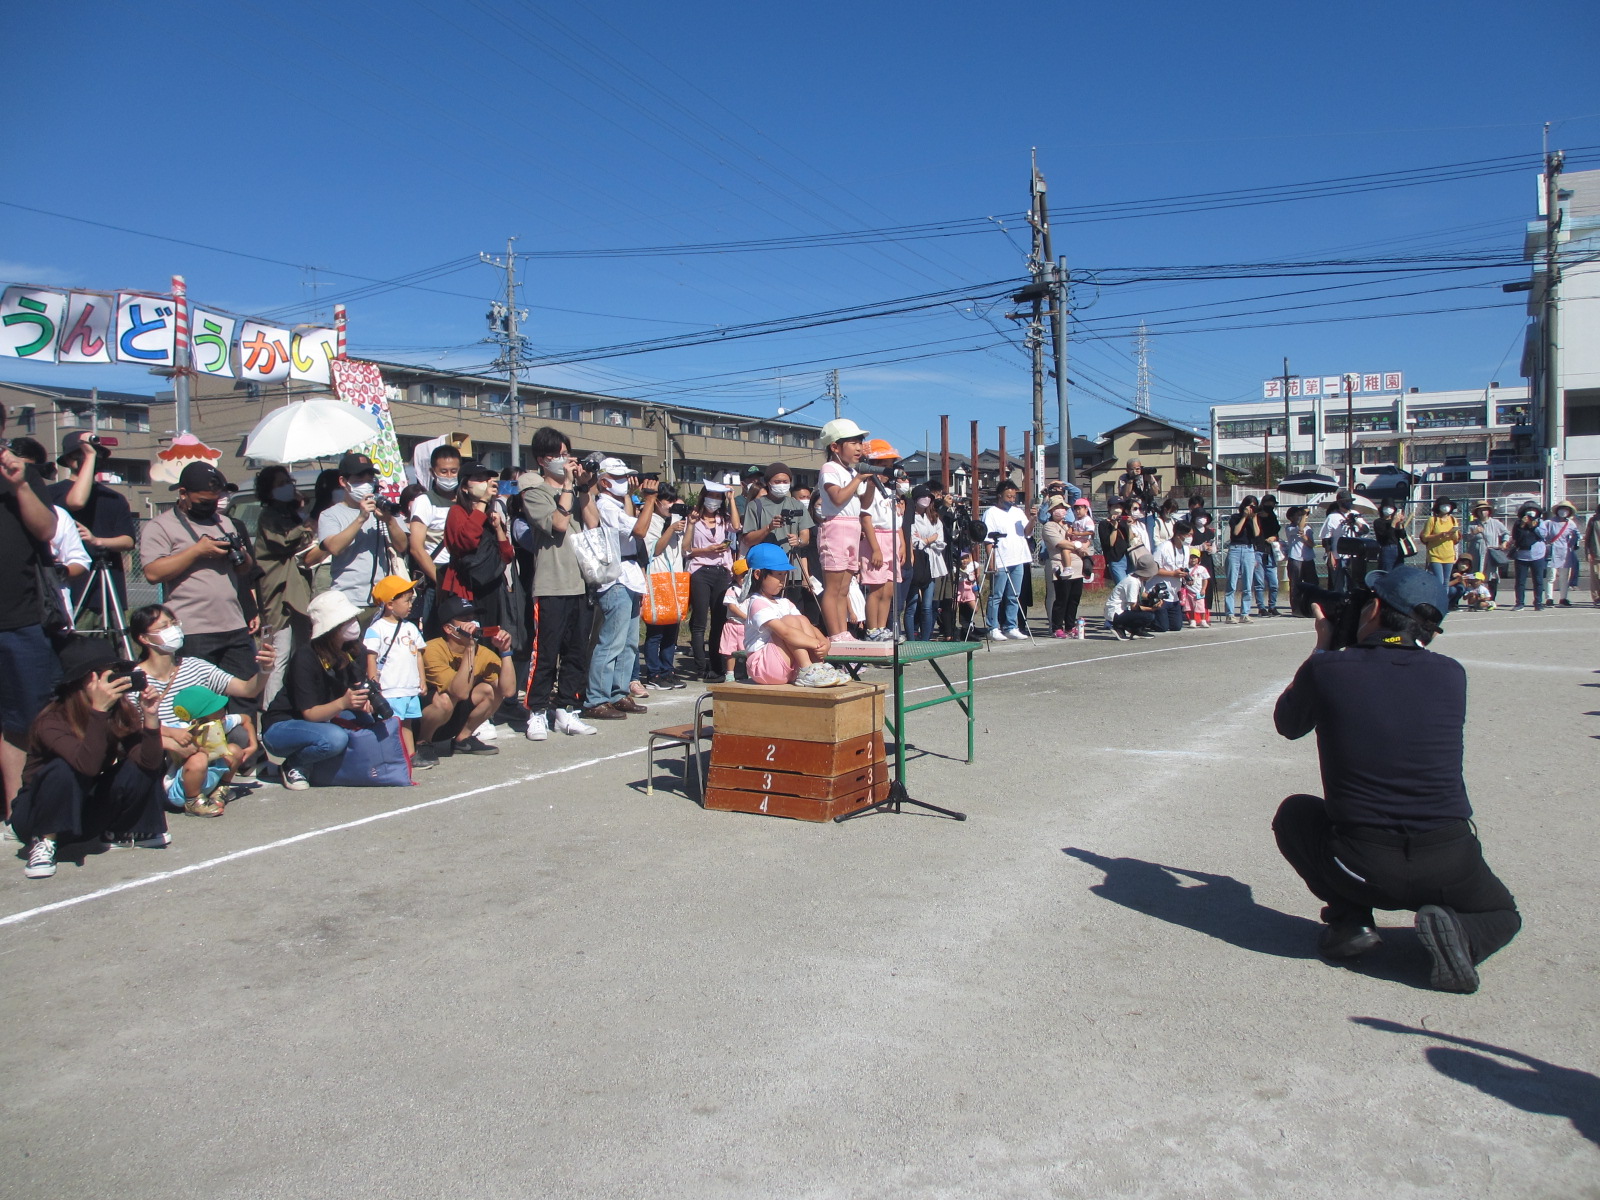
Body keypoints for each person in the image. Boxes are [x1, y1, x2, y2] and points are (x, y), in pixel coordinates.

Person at [1271, 566, 1521, 993]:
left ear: (1375, 607)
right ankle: (1463, 935)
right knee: (1503, 915)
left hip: (1361, 865)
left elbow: (1289, 724)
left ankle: (1350, 923)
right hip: (1448, 858)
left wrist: (1323, 646)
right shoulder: (1451, 674)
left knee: (1295, 813)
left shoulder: (1331, 670)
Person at [10, 637, 168, 879]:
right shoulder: (51, 721)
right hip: (36, 815)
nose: (112, 680)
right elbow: (87, 766)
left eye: (114, 673)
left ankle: (122, 829)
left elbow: (150, 763)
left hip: (82, 814)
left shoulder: (119, 712)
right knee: (62, 768)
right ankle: (44, 843)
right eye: (104, 675)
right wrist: (98, 712)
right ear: (82, 681)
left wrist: (150, 718)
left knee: (138, 765)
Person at [139, 461, 263, 759]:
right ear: (183, 494)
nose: (210, 506)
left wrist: (239, 555)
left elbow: (246, 569)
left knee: (245, 694)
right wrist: (197, 551)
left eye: (215, 500)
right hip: (192, 627)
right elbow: (153, 572)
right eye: (203, 501)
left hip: (232, 622)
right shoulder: (160, 526)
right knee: (198, 701)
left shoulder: (226, 522)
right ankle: (200, 761)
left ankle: (247, 756)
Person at [129, 603, 274, 815]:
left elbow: (246, 689)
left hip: (200, 747)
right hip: (161, 753)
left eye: (174, 623)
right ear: (144, 638)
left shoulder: (196, 666)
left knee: (236, 737)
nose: (173, 630)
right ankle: (180, 795)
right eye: (164, 626)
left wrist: (265, 670)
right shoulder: (135, 680)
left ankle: (215, 788)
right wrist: (171, 740)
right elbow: (131, 728)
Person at [516, 427, 599, 740]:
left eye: (568, 454)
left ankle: (567, 709)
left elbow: (593, 524)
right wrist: (566, 486)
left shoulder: (574, 489)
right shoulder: (533, 488)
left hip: (582, 581)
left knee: (576, 652)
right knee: (547, 653)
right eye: (558, 455)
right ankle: (536, 712)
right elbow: (558, 524)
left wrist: (583, 488)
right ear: (542, 459)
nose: (565, 460)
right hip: (552, 583)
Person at [260, 590, 374, 790]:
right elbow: (311, 714)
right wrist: (343, 703)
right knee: (335, 738)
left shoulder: (354, 650)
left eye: (353, 618)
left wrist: (365, 703)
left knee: (369, 723)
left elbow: (355, 689)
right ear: (331, 627)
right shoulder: (306, 657)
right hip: (284, 725)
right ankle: (293, 764)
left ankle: (323, 764)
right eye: (346, 621)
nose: (354, 623)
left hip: (324, 719)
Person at [584, 458, 651, 720]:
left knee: (629, 643)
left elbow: (632, 524)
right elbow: (640, 529)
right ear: (604, 481)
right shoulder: (605, 506)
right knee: (610, 642)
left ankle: (618, 691)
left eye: (626, 477)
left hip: (630, 575)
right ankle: (596, 698)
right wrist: (650, 499)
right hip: (615, 577)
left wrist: (633, 499)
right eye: (619, 477)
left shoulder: (617, 504)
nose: (625, 481)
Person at [253, 466, 325, 705]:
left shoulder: (290, 514)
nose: (287, 487)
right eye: (280, 483)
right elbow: (285, 541)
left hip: (298, 592)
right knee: (279, 653)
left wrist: (300, 513)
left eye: (288, 481)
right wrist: (305, 526)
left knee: (302, 650)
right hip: (277, 593)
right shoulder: (269, 517)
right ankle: (270, 712)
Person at [49, 430, 136, 624]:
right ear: (70, 459)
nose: (92, 458)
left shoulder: (115, 498)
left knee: (114, 650)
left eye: (95, 454)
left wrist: (98, 541)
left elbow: (128, 540)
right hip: (72, 588)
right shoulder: (53, 493)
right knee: (78, 649)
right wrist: (88, 456)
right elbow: (76, 501)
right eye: (83, 453)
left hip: (109, 587)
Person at [741, 544, 851, 687]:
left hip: (788, 666)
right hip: (764, 668)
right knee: (789, 622)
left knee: (802, 619)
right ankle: (807, 669)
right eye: (778, 575)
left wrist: (824, 641)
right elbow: (785, 633)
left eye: (784, 575)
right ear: (758, 575)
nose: (782, 580)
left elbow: (808, 626)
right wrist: (815, 643)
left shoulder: (785, 602)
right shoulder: (757, 603)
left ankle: (816, 668)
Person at [420, 595, 515, 756]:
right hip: (423, 720)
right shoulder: (432, 649)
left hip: (452, 718)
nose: (471, 623)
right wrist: (469, 648)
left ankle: (462, 740)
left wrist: (505, 651)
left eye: (473, 618)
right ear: (449, 629)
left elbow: (508, 691)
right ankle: (422, 743)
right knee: (445, 699)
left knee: (491, 690)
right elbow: (459, 692)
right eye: (464, 619)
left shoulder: (482, 652)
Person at [316, 452, 409, 615]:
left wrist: (390, 520)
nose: (366, 485)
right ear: (343, 481)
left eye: (369, 480)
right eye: (359, 480)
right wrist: (361, 517)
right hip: (349, 600)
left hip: (385, 599)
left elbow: (402, 545)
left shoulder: (383, 507)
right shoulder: (330, 515)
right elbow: (334, 548)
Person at [364, 576, 431, 767]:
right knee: (391, 724)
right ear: (390, 604)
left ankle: (410, 754)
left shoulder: (410, 628)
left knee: (407, 723)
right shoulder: (377, 628)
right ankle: (391, 755)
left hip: (409, 687)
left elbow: (418, 654)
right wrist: (373, 685)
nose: (411, 604)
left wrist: (422, 679)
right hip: (390, 687)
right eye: (407, 600)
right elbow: (371, 657)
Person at [440, 459, 514, 631]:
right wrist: (482, 503)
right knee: (470, 635)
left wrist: (498, 529)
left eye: (487, 479)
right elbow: (466, 541)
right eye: (479, 479)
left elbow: (507, 556)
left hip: (493, 587)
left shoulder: (491, 514)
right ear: (464, 487)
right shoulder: (456, 512)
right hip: (468, 587)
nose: (485, 483)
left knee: (493, 635)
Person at [816, 418, 873, 639]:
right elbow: (838, 498)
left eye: (860, 442)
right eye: (853, 442)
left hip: (852, 528)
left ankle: (843, 633)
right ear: (835, 447)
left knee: (844, 588)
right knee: (833, 588)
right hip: (836, 528)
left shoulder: (851, 472)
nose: (859, 447)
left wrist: (868, 482)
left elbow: (865, 504)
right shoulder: (829, 468)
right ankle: (836, 634)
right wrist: (858, 478)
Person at [740, 462, 818, 625]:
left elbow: (806, 535)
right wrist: (768, 528)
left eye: (785, 481)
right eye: (777, 482)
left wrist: (799, 541)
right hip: (766, 569)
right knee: (768, 613)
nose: (782, 485)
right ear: (768, 482)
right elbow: (747, 539)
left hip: (791, 568)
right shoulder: (756, 506)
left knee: (792, 613)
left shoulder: (795, 504)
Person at [683, 480, 739, 679]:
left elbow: (737, 526)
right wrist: (706, 550)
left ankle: (717, 666)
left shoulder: (723, 519)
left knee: (719, 621)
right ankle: (700, 667)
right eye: (711, 496)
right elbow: (686, 548)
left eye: (718, 497)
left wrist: (731, 499)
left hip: (722, 571)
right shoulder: (694, 519)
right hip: (700, 571)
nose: (714, 501)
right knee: (699, 621)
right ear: (704, 496)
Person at [406, 443, 463, 634]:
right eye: (444, 471)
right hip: (438, 580)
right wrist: (440, 582)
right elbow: (416, 547)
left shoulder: (467, 499)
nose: (449, 476)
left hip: (465, 579)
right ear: (433, 471)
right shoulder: (425, 501)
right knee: (438, 638)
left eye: (453, 471)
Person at [857, 440, 905, 642]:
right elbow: (866, 518)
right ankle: (872, 629)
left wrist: (902, 544)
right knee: (876, 589)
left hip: (892, 540)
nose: (887, 470)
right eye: (883, 464)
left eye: (889, 464)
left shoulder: (889, 490)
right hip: (876, 540)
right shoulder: (868, 489)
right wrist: (875, 549)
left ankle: (882, 628)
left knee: (888, 589)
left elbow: (897, 521)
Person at [641, 485, 688, 688]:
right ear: (657, 502)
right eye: (667, 501)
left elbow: (686, 548)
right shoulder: (650, 521)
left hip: (675, 578)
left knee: (672, 628)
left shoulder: (677, 521)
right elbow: (655, 550)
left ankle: (668, 669)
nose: (670, 505)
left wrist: (691, 524)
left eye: (673, 501)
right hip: (657, 578)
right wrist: (670, 529)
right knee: (656, 630)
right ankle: (653, 673)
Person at [982, 478, 1035, 641]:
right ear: (1000, 496)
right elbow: (988, 540)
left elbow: (1027, 532)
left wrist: (1033, 518)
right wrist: (992, 562)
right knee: (996, 595)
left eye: (1014, 497)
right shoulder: (990, 513)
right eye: (1009, 496)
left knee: (1014, 595)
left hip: (1019, 558)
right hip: (1001, 558)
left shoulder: (1018, 512)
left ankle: (1011, 626)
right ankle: (993, 627)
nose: (1012, 500)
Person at [1509, 503, 1554, 611]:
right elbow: (1516, 537)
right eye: (1528, 510)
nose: (1530, 512)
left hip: (1537, 555)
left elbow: (1543, 536)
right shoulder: (1518, 523)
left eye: (1533, 510)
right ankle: (1519, 603)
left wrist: (1533, 526)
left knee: (1538, 580)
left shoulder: (1540, 523)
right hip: (1521, 556)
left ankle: (1538, 602)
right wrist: (1522, 525)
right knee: (1520, 581)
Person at [1224, 496, 1262, 625]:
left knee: (1247, 584)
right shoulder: (1235, 517)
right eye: (1250, 505)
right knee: (1232, 583)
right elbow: (1236, 532)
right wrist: (1244, 517)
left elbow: (1257, 534)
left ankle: (1245, 613)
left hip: (1249, 550)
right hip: (1235, 549)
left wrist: (1254, 517)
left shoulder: (1254, 519)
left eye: (1254, 506)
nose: (1251, 508)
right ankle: (1230, 614)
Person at [1464, 500, 1510, 604]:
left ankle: (1491, 599)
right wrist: (1474, 532)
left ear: (1489, 511)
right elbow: (1465, 537)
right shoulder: (1472, 524)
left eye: (1484, 510)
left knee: (1491, 575)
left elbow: (1506, 533)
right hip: (1476, 553)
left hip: (1490, 553)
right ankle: (1475, 599)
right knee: (1475, 575)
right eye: (1480, 510)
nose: (1482, 512)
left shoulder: (1495, 523)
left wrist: (1504, 542)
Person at [1151, 521, 1191, 632]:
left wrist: (1186, 577)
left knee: (1176, 626)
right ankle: (1147, 616)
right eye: (1188, 535)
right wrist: (1173, 574)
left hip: (1174, 595)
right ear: (1179, 535)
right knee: (1162, 627)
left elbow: (1184, 568)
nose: (1190, 537)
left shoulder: (1186, 549)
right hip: (1161, 593)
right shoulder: (1163, 547)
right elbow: (1153, 569)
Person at [1544, 501, 1581, 607]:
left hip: (1565, 552)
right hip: (1552, 551)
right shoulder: (1549, 522)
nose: (1563, 511)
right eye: (1562, 508)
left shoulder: (1571, 524)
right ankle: (1549, 598)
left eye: (1566, 509)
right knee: (1551, 576)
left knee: (1564, 577)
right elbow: (1543, 534)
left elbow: (1576, 535)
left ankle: (1563, 598)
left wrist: (1571, 545)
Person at [1420, 498, 1462, 589]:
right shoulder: (1432, 520)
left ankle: (1444, 602)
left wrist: (1454, 533)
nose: (1446, 508)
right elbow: (1425, 537)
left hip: (1449, 555)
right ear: (1438, 507)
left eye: (1448, 505)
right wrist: (1440, 535)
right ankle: (1438, 600)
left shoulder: (1453, 520)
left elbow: (1455, 539)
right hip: (1435, 555)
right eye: (1443, 505)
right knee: (1439, 580)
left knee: (1446, 581)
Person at [1104, 572, 1160, 640]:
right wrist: (1151, 609)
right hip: (1116, 612)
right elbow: (1134, 606)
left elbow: (1141, 594)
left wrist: (1155, 598)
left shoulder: (1137, 579)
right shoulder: (1132, 582)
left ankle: (1134, 630)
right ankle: (1117, 626)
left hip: (1122, 610)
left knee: (1148, 608)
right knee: (1149, 616)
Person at [1252, 495, 1282, 616]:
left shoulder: (1272, 516)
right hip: (1258, 550)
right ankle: (1261, 607)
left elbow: (1276, 531)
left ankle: (1272, 606)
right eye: (1269, 504)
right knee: (1259, 583)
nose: (1271, 506)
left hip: (1270, 551)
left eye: (1273, 504)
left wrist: (1274, 537)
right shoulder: (1256, 516)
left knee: (1274, 583)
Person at [1097, 498, 1133, 586]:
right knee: (1123, 586)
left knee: (1132, 585)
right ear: (1109, 508)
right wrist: (1115, 527)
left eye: (1120, 506)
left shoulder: (1124, 522)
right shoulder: (1104, 524)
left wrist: (1129, 526)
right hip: (1116, 559)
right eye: (1115, 506)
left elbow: (1130, 539)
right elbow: (1110, 543)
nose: (1118, 509)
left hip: (1129, 558)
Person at [1372, 501, 1405, 573]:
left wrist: (1400, 523)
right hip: (1387, 549)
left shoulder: (1396, 521)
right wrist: (1393, 523)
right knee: (1386, 572)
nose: (1388, 509)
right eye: (1386, 507)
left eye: (1390, 507)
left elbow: (1402, 535)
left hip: (1398, 549)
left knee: (1399, 572)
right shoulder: (1378, 522)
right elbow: (1386, 536)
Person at [1181, 549, 1211, 627]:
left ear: (1199, 559)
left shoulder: (1202, 569)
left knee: (1201, 607)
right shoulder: (1185, 568)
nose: (1193, 559)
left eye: (1195, 558)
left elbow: (1205, 579)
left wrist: (1203, 589)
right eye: (1191, 557)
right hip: (1188, 592)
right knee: (1189, 607)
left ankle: (1203, 620)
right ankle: (1192, 620)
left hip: (1198, 592)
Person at [1586, 503, 1600, 609]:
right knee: (1595, 577)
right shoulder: (1593, 521)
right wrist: (1588, 552)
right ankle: (1596, 598)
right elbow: (1587, 537)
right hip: (1596, 552)